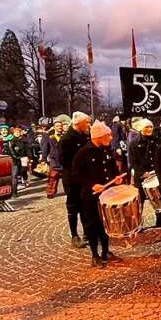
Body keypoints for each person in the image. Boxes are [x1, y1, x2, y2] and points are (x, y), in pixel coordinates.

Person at [71, 120, 127, 266]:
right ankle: (95, 254)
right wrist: (92, 185)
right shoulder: (83, 153)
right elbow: (76, 175)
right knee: (93, 225)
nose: (111, 138)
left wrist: (117, 178)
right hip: (90, 197)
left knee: (105, 225)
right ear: (98, 136)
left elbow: (112, 168)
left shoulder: (106, 150)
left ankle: (106, 251)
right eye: (108, 135)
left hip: (107, 195)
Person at [59, 111, 91, 247]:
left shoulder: (84, 136)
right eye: (87, 123)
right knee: (73, 207)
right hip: (71, 179)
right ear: (78, 123)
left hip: (84, 178)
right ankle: (74, 236)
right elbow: (63, 160)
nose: (88, 125)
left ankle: (87, 233)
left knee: (85, 206)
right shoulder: (66, 139)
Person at [41, 119, 66, 198]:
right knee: (53, 178)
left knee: (66, 179)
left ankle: (68, 191)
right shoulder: (50, 137)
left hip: (64, 161)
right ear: (54, 127)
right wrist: (44, 159)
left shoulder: (65, 136)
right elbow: (45, 149)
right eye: (57, 126)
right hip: (54, 161)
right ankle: (50, 192)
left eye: (60, 126)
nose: (59, 128)